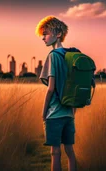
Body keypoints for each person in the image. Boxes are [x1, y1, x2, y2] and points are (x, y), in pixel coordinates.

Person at [35, 16, 78, 171]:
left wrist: (43, 111)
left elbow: (51, 88)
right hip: (69, 114)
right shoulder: (71, 56)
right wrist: (72, 111)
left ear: (58, 34)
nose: (43, 38)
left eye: (45, 33)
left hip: (55, 114)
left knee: (55, 152)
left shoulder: (53, 56)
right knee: (70, 151)